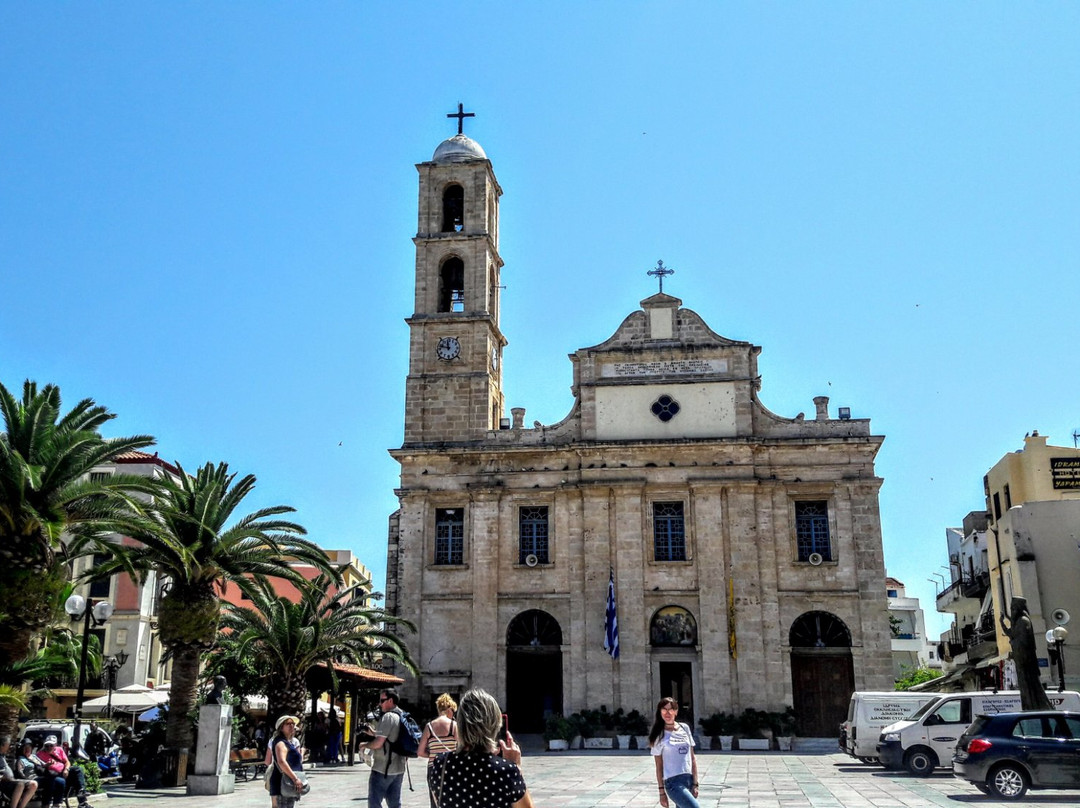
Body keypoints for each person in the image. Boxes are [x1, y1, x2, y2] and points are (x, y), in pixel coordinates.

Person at [426, 688, 533, 808]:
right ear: (494, 724)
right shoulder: (506, 771)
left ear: (460, 724)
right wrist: (516, 767)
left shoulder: (441, 764)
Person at [358, 689, 406, 808]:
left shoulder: (388, 717)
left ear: (390, 700)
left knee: (375, 802)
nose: (380, 704)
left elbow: (378, 743)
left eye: (382, 700)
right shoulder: (402, 715)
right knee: (395, 804)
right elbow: (390, 737)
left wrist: (364, 745)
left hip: (383, 768)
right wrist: (374, 733)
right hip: (399, 768)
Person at [649, 697, 699, 808]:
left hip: (688, 780)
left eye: (670, 709)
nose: (667, 713)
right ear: (660, 712)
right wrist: (662, 792)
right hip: (673, 783)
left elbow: (692, 758)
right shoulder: (659, 734)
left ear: (676, 711)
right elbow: (659, 766)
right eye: (664, 709)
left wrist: (695, 783)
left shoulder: (684, 728)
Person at [418, 693, 458, 807]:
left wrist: (433, 755)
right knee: (451, 800)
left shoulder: (429, 726)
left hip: (433, 767)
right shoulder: (453, 726)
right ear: (450, 709)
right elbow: (461, 747)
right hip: (451, 767)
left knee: (435, 802)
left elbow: (420, 752)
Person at [37, 735, 89, 808]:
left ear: (55, 745)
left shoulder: (59, 750)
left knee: (78, 769)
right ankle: (57, 804)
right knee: (60, 781)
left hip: (64, 773)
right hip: (52, 775)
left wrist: (66, 769)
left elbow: (67, 762)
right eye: (46, 746)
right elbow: (39, 767)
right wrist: (47, 765)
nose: (49, 747)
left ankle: (82, 795)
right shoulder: (40, 754)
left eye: (51, 745)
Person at [268, 715, 305, 808]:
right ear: (281, 727)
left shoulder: (288, 742)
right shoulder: (281, 743)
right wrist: (295, 779)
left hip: (287, 782)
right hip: (283, 782)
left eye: (293, 723)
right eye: (288, 724)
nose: (292, 726)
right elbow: (282, 762)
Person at [16, 739, 65, 808]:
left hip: (40, 777)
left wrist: (49, 764)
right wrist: (26, 780)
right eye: (25, 748)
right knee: (49, 781)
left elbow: (43, 765)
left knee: (60, 781)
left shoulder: (34, 756)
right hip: (31, 779)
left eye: (29, 747)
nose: (27, 749)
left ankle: (56, 804)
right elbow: (19, 771)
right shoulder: (21, 759)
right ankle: (45, 804)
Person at [0, 735, 38, 808]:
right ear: (2, 745)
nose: (9, 747)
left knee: (34, 784)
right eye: (8, 745)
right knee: (20, 784)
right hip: (4, 781)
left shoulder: (3, 755)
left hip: (11, 780)